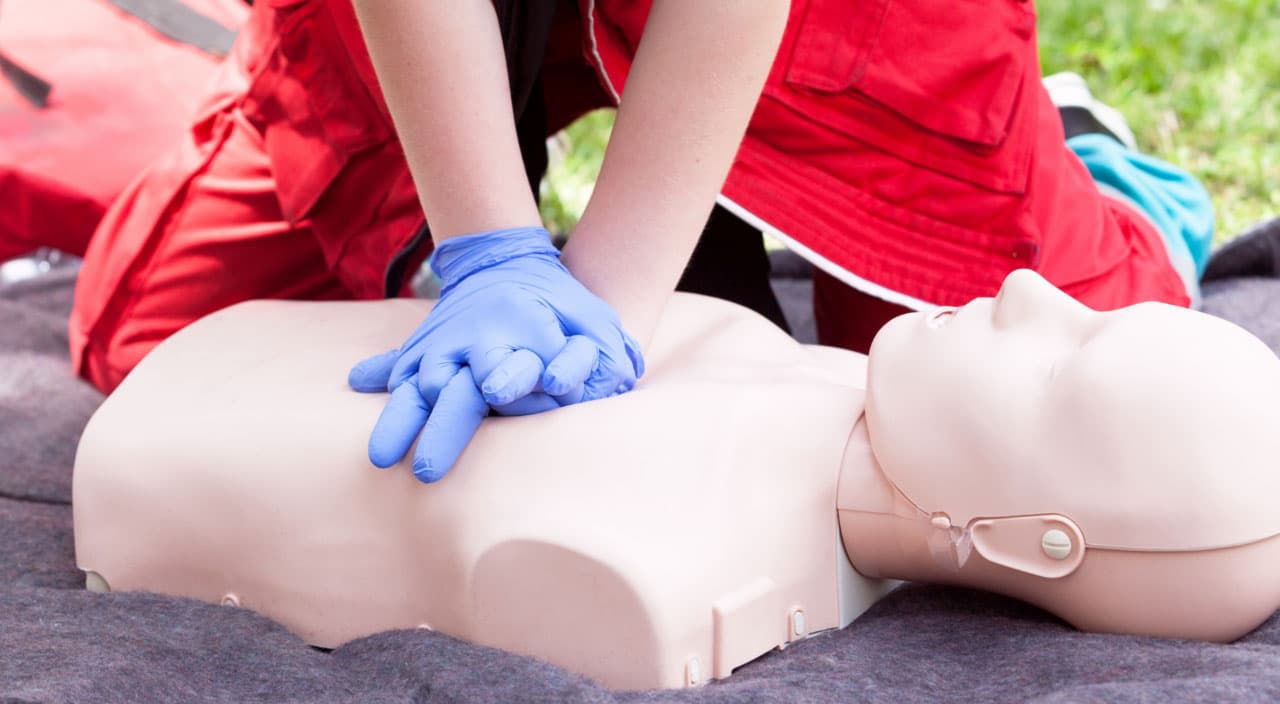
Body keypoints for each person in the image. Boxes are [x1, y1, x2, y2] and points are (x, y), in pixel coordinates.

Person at [66, 1, 1214, 484]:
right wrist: (488, 249)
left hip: (821, 27)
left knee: (1025, 422)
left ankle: (1092, 172)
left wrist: (612, 302)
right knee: (154, 346)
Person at [74, 270, 1280, 691]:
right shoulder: (810, 378)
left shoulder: (671, 565)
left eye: (1066, 361)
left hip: (155, 455)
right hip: (201, 385)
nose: (1029, 291)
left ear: (1039, 545)